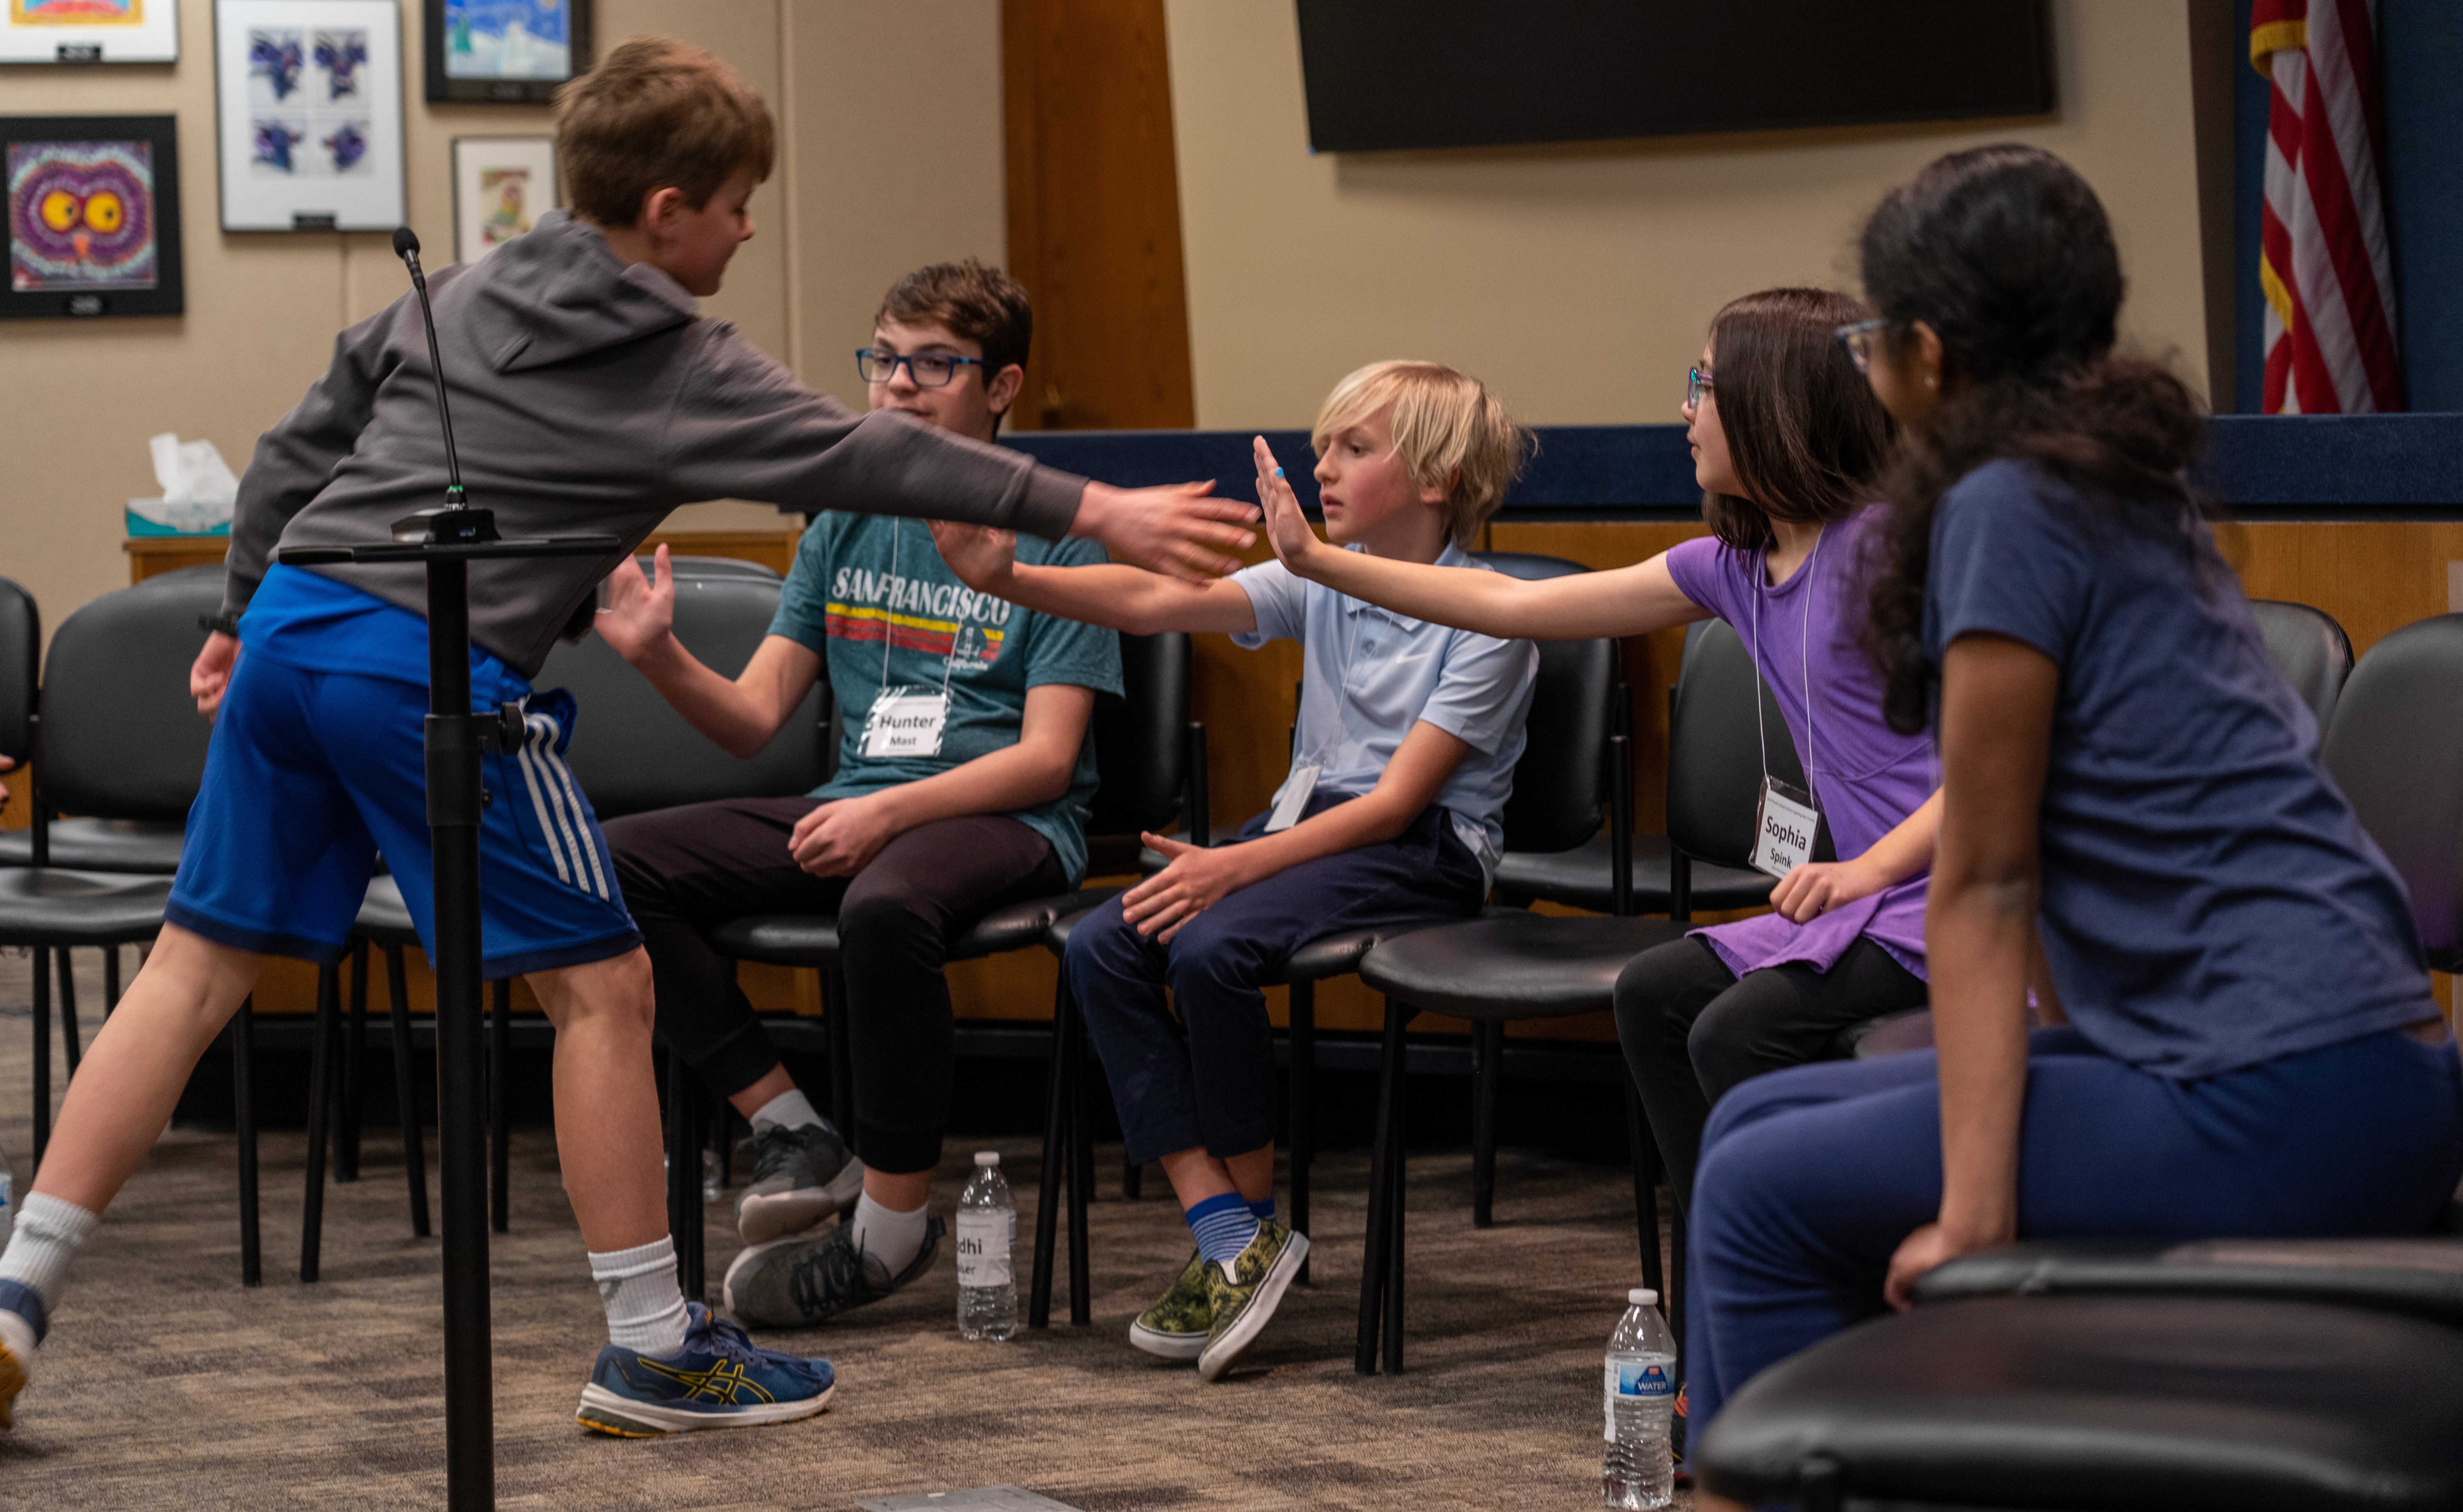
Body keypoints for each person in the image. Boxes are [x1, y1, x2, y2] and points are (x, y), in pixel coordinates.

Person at [0, 35, 1252, 1436]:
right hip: (423, 667)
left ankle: (14, 1299)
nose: (748, 225)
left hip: (292, 631)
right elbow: (872, 456)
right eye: (734, 203)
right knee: (604, 993)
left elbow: (303, 441)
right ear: (668, 213)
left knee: (186, 975)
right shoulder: (674, 356)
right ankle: (657, 1347)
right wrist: (1099, 510)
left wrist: (233, 612)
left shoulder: (468, 288)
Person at [1682, 144, 2463, 1504]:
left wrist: (1976, 1218)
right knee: (1759, 1121)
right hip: (2347, 1073)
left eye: (1871, 340)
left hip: (2286, 1099)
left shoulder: (2006, 504)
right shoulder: (2110, 477)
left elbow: (1984, 880)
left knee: (1756, 1198)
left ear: (1925, 354)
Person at [1250, 291, 1933, 1233]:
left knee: (1740, 1029)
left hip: (1949, 897)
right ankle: (1727, 1278)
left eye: (1704, 383)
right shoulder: (1729, 567)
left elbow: (2004, 770)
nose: (1686, 408)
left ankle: (1807, 1280)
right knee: (1657, 992)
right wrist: (1319, 563)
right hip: (1867, 902)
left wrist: (1870, 867)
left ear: (1782, 404)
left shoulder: (1892, 554)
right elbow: (1511, 606)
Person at [933, 360, 1539, 1379]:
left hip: (1426, 846)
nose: (1323, 470)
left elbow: (1394, 806)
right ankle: (1229, 1232)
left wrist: (1235, 863)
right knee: (1103, 943)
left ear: (1435, 480)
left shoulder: (1488, 612)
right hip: (1309, 826)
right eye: (1321, 447)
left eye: (1356, 448)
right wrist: (1010, 578)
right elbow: (1156, 599)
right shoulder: (1322, 576)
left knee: (1210, 941)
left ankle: (1249, 1228)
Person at [593, 260, 1121, 1329]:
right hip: (858, 799)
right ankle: (790, 1127)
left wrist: (889, 813)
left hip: (1004, 818)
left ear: (1003, 385)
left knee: (882, 905)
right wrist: (658, 658)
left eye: (935, 365)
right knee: (610, 861)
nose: (898, 387)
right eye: (884, 360)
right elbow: (753, 719)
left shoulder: (1059, 532)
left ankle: (889, 1230)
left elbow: (1049, 761)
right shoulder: (841, 517)